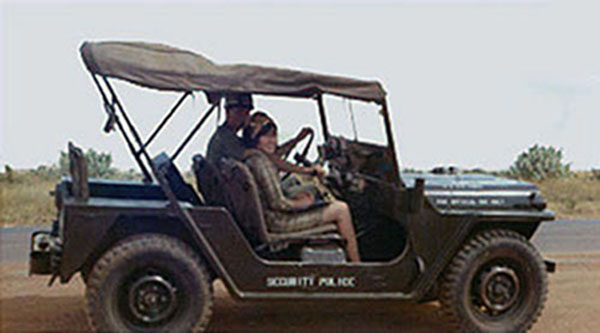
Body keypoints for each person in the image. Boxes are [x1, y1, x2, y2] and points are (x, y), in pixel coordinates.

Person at [243, 113, 360, 262]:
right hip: (279, 223)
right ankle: (358, 268)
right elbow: (278, 203)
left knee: (303, 188)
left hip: (270, 219)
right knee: (341, 209)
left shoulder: (256, 157)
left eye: (273, 136)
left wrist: (297, 140)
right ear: (255, 139)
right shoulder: (261, 163)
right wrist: (303, 203)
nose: (272, 141)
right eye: (266, 136)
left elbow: (278, 155)